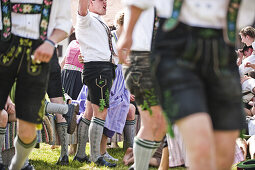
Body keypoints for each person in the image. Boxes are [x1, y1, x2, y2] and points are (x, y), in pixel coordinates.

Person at [118, 0, 253, 170]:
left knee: (223, 153)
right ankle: (141, 166)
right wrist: (128, 33)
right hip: (175, 47)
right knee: (197, 143)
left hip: (222, 47)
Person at [0, 0, 72, 169]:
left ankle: (17, 166)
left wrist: (51, 42)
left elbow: (65, 24)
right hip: (3, 48)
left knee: (28, 131)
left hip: (38, 53)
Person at [117, 3, 167, 170]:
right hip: (142, 56)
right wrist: (127, 35)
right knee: (152, 121)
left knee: (162, 124)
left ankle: (138, 163)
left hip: (166, 60)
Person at [74, 0, 116, 167]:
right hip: (99, 69)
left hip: (100, 68)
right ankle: (95, 157)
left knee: (90, 112)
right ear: (90, 2)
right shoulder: (86, 18)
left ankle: (80, 154)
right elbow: (81, 7)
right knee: (101, 111)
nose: (105, 2)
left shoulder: (99, 21)